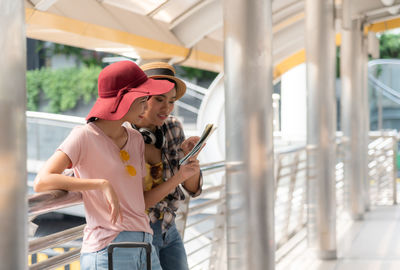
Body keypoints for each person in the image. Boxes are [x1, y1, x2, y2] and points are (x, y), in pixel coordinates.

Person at [33, 60, 199, 270]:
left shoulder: (135, 139)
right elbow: (42, 181)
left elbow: (141, 202)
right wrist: (100, 184)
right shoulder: (83, 136)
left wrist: (180, 176)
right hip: (108, 249)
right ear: (124, 100)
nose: (145, 105)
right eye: (142, 99)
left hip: (145, 247)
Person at [130, 62, 203, 270]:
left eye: (171, 101)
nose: (167, 108)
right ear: (141, 98)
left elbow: (193, 189)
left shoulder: (172, 127)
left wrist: (190, 158)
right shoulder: (124, 134)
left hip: (168, 227)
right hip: (139, 231)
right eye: (159, 99)